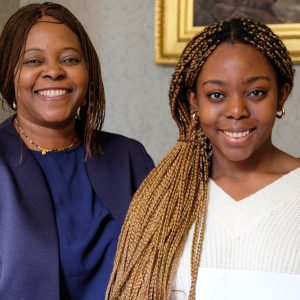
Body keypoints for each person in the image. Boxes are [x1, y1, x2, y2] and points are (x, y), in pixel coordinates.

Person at [106, 18, 300, 299]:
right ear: (194, 102)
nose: (236, 110)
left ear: (282, 95)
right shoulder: (163, 202)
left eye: (256, 92)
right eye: (216, 95)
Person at [0, 2, 154, 300]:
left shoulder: (129, 158)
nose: (54, 72)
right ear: (9, 76)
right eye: (33, 61)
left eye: (69, 59)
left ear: (88, 72)